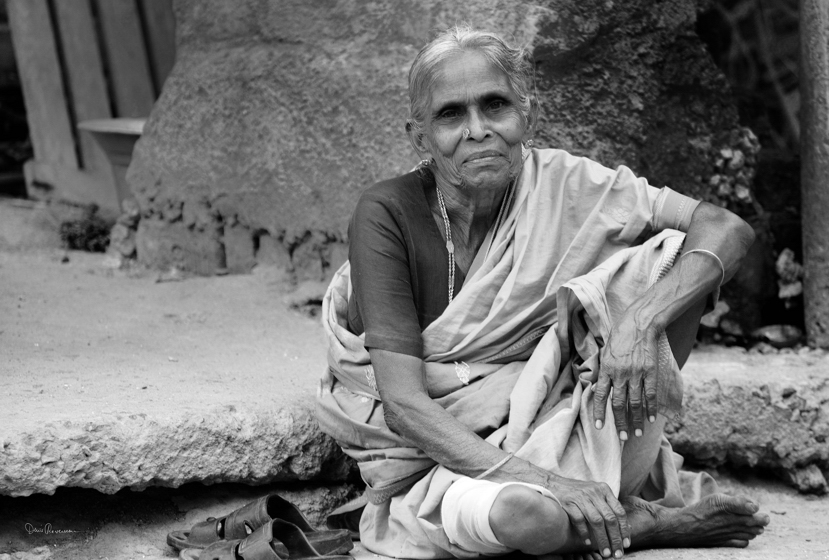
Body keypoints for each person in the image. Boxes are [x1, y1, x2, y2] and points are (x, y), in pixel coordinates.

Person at [316, 25, 769, 560]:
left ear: (527, 116)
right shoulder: (386, 212)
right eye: (451, 115)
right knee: (528, 515)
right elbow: (404, 406)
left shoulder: (564, 182)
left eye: (495, 106)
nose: (478, 130)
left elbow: (726, 229)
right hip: (452, 464)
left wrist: (640, 323)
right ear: (420, 137)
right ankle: (640, 526)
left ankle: (599, 502)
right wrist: (551, 484)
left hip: (564, 424)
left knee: (670, 258)